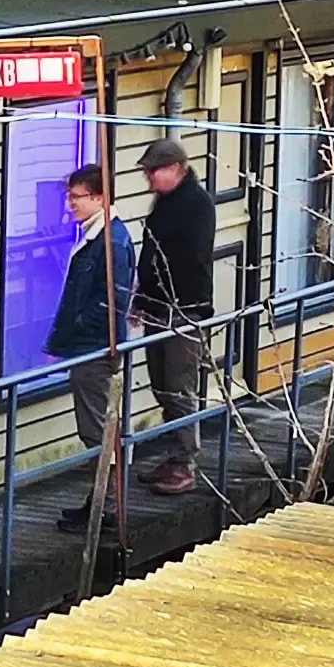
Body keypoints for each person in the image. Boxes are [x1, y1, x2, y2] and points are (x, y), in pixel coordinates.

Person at [50, 164, 135, 533]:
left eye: (76, 197)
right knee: (97, 426)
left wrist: (77, 332)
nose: (69, 204)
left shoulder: (110, 242)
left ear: (99, 198)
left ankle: (108, 507)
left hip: (95, 349)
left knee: (97, 428)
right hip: (86, 345)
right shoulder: (96, 236)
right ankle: (100, 502)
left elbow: (109, 305)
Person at [131, 138, 216, 497]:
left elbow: (186, 259)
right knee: (162, 384)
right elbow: (152, 253)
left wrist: (159, 294)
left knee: (179, 385)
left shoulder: (195, 204)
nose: (149, 178)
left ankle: (184, 463)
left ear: (177, 169)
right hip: (159, 307)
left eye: (154, 171)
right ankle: (174, 455)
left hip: (183, 308)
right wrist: (142, 298)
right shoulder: (165, 203)